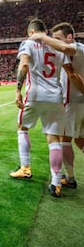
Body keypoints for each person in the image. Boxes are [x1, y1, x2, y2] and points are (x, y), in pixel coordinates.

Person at [10, 18, 72, 197]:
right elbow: (70, 71)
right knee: (54, 140)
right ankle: (56, 183)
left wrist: (17, 90)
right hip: (56, 96)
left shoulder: (28, 43)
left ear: (31, 32)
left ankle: (26, 167)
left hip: (35, 95)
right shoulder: (58, 45)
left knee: (22, 128)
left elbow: (24, 64)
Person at [29, 22, 84, 189]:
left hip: (73, 101)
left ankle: (70, 177)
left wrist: (42, 37)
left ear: (70, 37)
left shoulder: (78, 48)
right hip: (79, 102)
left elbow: (72, 70)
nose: (55, 44)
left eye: (58, 39)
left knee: (63, 140)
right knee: (81, 141)